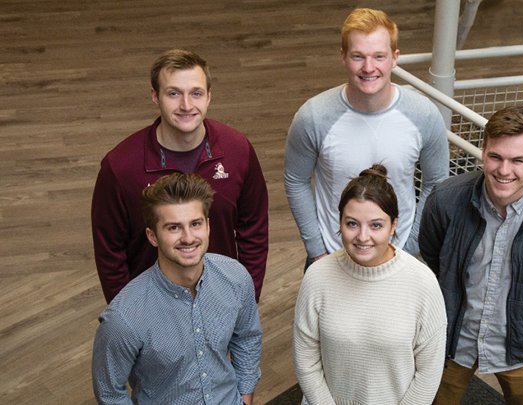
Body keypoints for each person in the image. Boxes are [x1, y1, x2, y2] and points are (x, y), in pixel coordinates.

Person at [419, 106, 523, 405]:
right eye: (496, 156)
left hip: (521, 344)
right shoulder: (445, 200)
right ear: (483, 151)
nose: (504, 170)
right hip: (450, 338)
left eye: (518, 160)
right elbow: (434, 256)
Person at [91, 48, 269, 303]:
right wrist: (130, 316)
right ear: (155, 96)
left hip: (221, 300)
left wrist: (245, 299)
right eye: (173, 93)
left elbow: (254, 231)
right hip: (152, 308)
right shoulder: (119, 167)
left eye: (196, 93)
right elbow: (110, 253)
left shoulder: (238, 150)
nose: (186, 105)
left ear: (209, 96)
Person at [284, 8, 449, 268]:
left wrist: (411, 244)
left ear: (395, 58)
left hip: (399, 257)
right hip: (331, 257)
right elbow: (296, 180)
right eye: (358, 56)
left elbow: (437, 181)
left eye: (379, 57)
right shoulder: (313, 117)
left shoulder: (423, 115)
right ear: (343, 57)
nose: (368, 67)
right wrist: (317, 250)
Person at [92, 173, 262, 405]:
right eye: (174, 228)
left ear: (208, 226)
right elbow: (110, 392)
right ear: (152, 236)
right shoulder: (123, 318)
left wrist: (245, 394)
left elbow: (247, 337)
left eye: (195, 224)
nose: (188, 237)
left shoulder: (235, 277)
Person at [293, 164, 447, 404]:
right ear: (340, 222)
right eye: (352, 224)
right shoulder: (317, 277)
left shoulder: (422, 283)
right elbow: (306, 361)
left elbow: (428, 373)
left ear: (393, 226)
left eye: (376, 225)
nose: (363, 237)